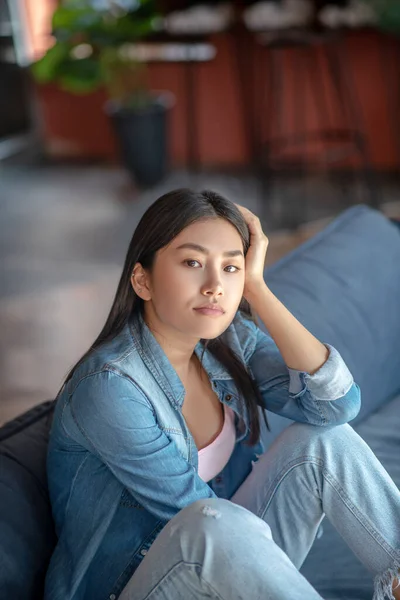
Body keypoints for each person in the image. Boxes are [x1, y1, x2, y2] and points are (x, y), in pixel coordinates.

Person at [44, 188, 400, 600]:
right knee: (212, 522)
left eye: (230, 268)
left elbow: (336, 406)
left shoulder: (228, 343)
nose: (215, 285)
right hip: (136, 586)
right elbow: (197, 518)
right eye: (193, 262)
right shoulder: (109, 387)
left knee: (322, 441)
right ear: (143, 280)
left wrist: (258, 290)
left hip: (229, 558)